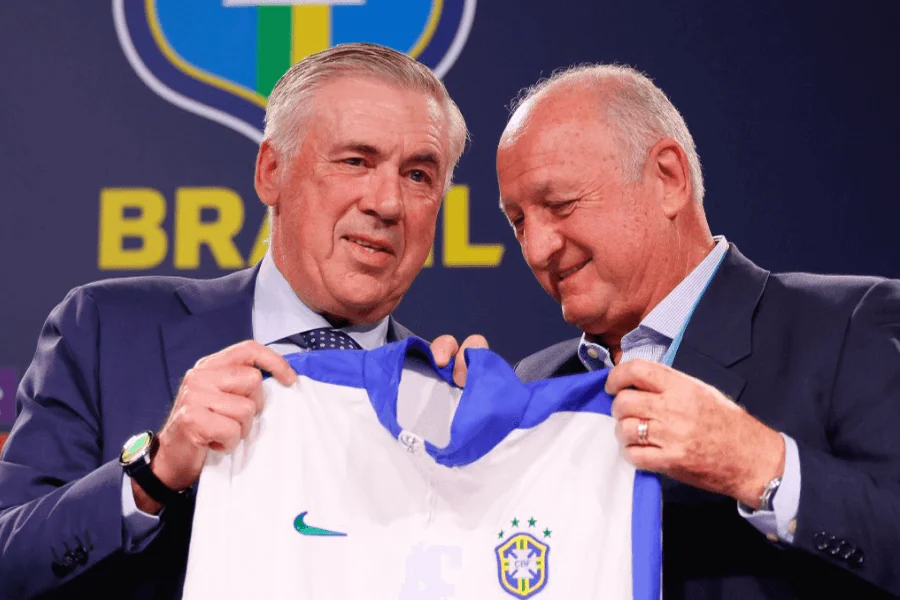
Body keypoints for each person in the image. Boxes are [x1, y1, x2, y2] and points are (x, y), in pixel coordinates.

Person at [0, 43, 482, 599]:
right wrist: (154, 473)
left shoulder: (447, 398)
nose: (388, 202)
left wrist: (482, 482)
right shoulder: (106, 331)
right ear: (271, 171)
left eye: (419, 175)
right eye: (356, 161)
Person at [498, 64, 900, 599]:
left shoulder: (851, 324)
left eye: (560, 205)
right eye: (518, 221)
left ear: (668, 178)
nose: (537, 248)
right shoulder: (535, 383)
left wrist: (760, 463)